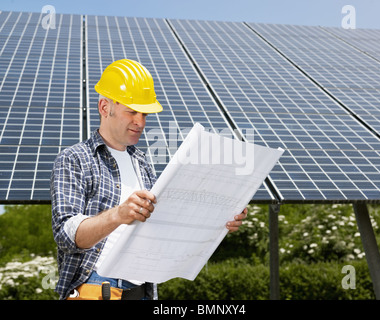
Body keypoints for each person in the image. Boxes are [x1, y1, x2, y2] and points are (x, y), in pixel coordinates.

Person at [50, 59, 248, 300]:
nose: (140, 122)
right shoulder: (74, 159)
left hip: (143, 290)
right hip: (97, 289)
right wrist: (118, 215)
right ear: (105, 107)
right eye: (132, 111)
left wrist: (219, 220)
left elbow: (163, 227)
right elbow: (66, 236)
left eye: (144, 113)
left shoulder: (142, 162)